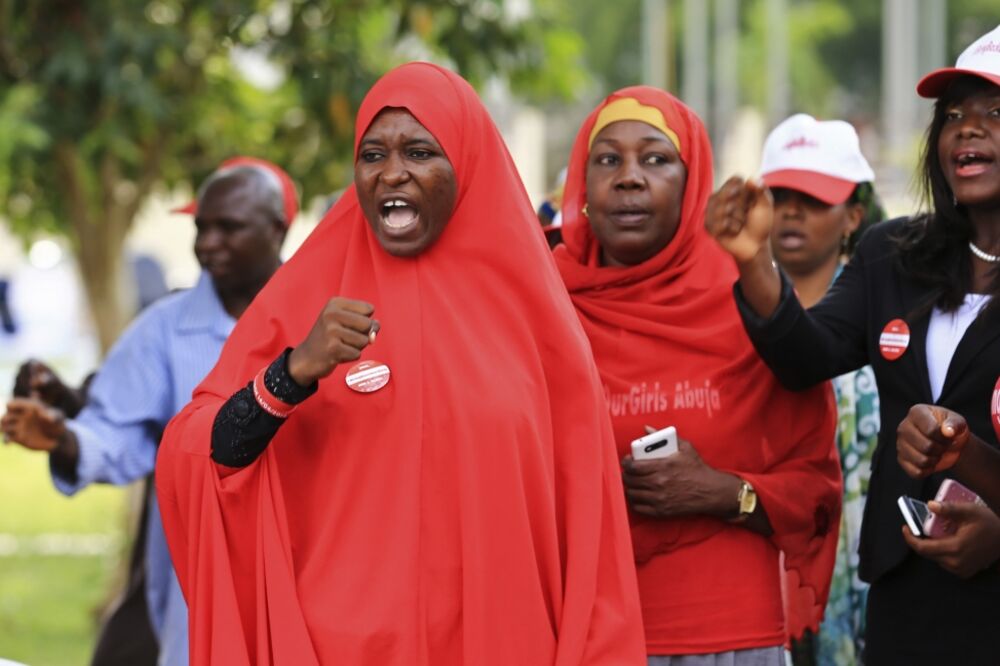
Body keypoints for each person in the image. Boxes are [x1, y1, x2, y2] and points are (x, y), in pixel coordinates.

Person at [155, 62, 646, 666]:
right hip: (336, 648)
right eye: (372, 154)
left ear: (465, 164)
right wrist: (292, 373)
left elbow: (587, 526)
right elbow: (198, 458)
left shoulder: (536, 319)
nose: (393, 172)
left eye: (419, 151)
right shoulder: (306, 295)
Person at [706, 24, 1000, 665]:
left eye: (995, 113)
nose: (969, 129)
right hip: (904, 591)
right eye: (953, 116)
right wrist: (753, 260)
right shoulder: (892, 253)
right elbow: (804, 359)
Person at [550, 86, 842, 664]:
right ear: (583, 191)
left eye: (655, 160)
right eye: (608, 160)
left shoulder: (750, 306)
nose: (629, 177)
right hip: (585, 633)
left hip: (730, 640)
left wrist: (725, 493)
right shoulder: (542, 306)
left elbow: (817, 492)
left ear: (691, 187)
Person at [1, 156, 298, 666]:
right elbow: (115, 431)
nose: (207, 243)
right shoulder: (163, 328)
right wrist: (65, 438)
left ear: (276, 229)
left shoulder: (319, 321)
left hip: (302, 560)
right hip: (199, 575)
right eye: (201, 228)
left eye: (228, 228)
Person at [758, 113, 886, 666]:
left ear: (854, 216)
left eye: (811, 198)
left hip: (864, 590)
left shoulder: (892, 312)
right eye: (780, 194)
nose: (791, 210)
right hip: (761, 576)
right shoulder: (725, 312)